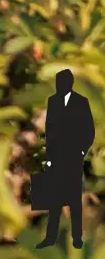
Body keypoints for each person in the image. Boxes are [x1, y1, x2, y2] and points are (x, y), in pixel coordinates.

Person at [39, 69, 93, 247]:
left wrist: (81, 151)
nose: (59, 85)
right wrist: (48, 156)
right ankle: (50, 237)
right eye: (57, 82)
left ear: (69, 83)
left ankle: (77, 238)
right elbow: (49, 131)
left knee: (75, 199)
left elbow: (89, 130)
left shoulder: (81, 102)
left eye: (61, 82)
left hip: (73, 156)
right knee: (54, 199)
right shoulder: (52, 101)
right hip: (56, 156)